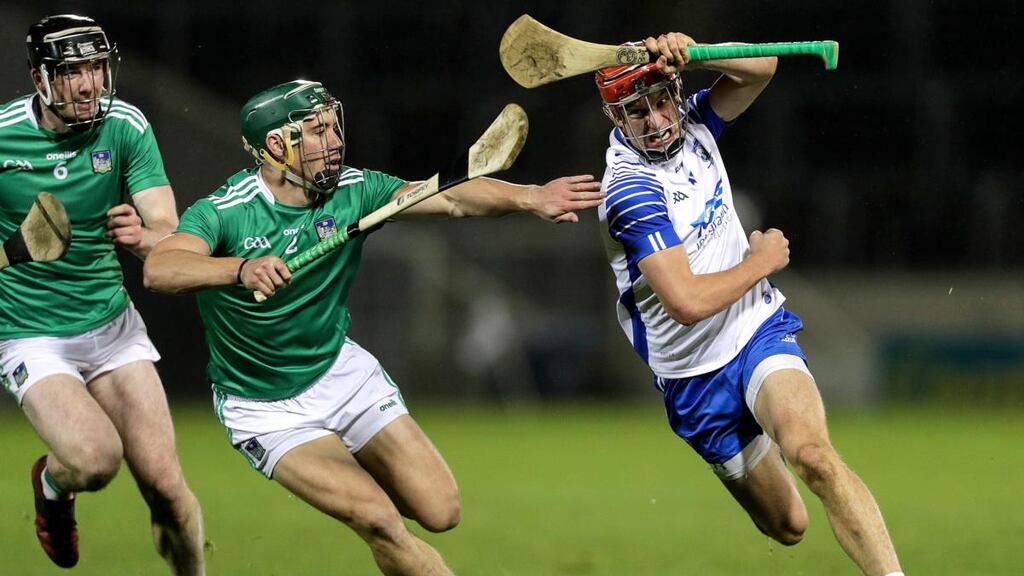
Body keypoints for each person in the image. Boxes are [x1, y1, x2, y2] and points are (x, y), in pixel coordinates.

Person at [143, 79, 603, 575]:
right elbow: (161, 269)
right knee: (379, 520)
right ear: (276, 146)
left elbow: (449, 198)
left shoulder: (356, 189)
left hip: (341, 372)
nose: (334, 140)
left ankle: (359, 481)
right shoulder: (226, 211)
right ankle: (361, 500)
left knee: (441, 510)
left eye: (332, 126)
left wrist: (529, 196)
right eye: (316, 132)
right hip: (266, 408)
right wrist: (238, 269)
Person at [594, 34, 904, 575]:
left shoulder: (694, 126)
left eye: (661, 101)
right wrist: (761, 261)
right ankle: (765, 433)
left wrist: (698, 48)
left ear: (674, 90)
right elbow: (687, 303)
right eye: (635, 111)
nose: (655, 119)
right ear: (615, 118)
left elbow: (762, 68)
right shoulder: (629, 191)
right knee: (789, 526)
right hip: (692, 377)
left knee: (814, 457)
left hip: (756, 327)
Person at [0, 14, 205, 573]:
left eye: (97, 67)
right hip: (31, 338)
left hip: (112, 330)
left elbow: (171, 232)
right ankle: (51, 484)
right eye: (73, 72)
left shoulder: (126, 128)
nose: (90, 84)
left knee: (168, 489)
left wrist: (144, 237)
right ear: (40, 77)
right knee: (94, 461)